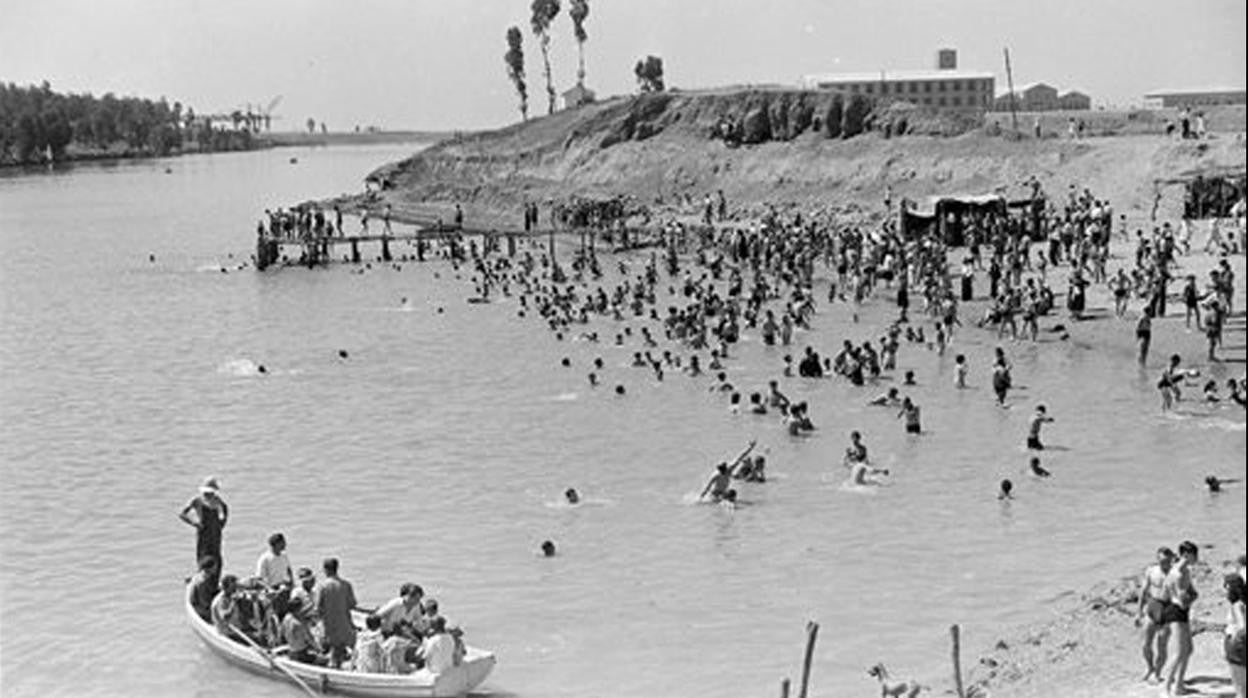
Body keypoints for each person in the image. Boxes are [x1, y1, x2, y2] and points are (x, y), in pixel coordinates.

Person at [1162, 541, 1200, 696]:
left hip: (1181, 611)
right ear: (1186, 554)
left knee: (1188, 650)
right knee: (1178, 652)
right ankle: (1165, 689)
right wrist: (1190, 598)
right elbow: (1183, 601)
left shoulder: (1186, 571)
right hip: (1175, 612)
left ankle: (1178, 685)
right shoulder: (1177, 573)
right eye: (1194, 555)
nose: (1197, 558)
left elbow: (1191, 593)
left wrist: (1190, 597)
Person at [1138, 547, 1176, 683]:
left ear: (1171, 559)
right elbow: (1143, 591)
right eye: (1160, 560)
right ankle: (1150, 668)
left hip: (1168, 609)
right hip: (1153, 606)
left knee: (1162, 646)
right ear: (1157, 559)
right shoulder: (1151, 571)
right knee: (1145, 644)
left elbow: (1187, 593)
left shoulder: (1175, 573)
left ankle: (1158, 673)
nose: (1163, 563)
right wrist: (1138, 613)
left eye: (1166, 561)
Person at [315, 558, 359, 668]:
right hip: (345, 626)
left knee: (334, 654)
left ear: (325, 570)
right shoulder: (346, 585)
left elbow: (318, 608)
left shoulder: (323, 586)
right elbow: (352, 604)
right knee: (350, 651)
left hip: (330, 627)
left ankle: (335, 671)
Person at [178, 477, 228, 575]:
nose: (209, 495)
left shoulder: (217, 500)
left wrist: (222, 524)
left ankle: (215, 582)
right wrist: (194, 523)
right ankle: (202, 581)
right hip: (203, 532)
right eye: (207, 493)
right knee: (203, 557)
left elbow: (225, 509)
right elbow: (182, 514)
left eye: (211, 493)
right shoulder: (197, 501)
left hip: (215, 533)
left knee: (217, 558)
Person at [281, 597, 324, 665]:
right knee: (324, 660)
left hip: (291, 652)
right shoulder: (299, 624)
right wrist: (319, 649)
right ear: (298, 609)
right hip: (301, 655)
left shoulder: (286, 618)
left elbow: (282, 632)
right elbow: (310, 639)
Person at [1225, 573, 1246, 698]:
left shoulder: (1237, 605)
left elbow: (1243, 627)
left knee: (1240, 691)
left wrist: (1233, 641)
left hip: (1237, 646)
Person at [188, 555, 220, 622]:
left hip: (201, 603)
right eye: (215, 566)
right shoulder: (203, 582)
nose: (216, 568)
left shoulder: (200, 575)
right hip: (201, 608)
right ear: (210, 568)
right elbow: (205, 603)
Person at [211, 574, 242, 638]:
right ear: (226, 587)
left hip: (234, 629)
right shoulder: (221, 600)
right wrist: (233, 602)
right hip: (227, 632)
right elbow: (225, 617)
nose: (235, 589)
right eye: (233, 587)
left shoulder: (229, 596)